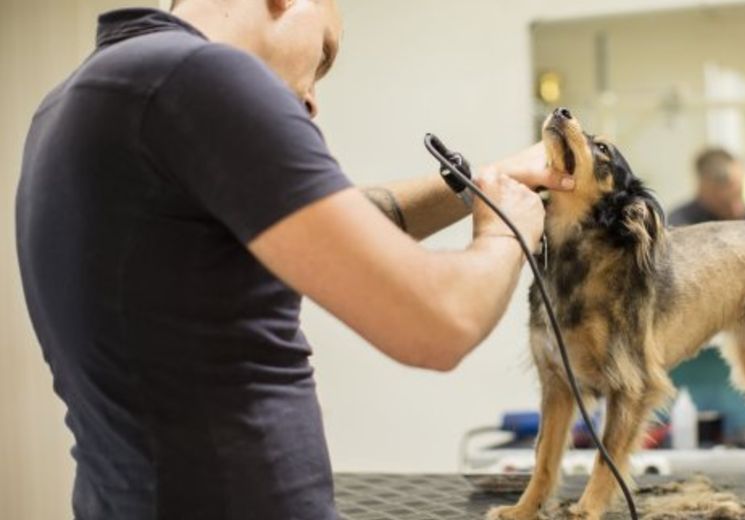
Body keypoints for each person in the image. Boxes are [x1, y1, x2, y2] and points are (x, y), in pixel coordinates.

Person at [14, 1, 574, 519]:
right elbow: (440, 323)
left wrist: (480, 187)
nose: (312, 98)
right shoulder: (201, 76)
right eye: (324, 55)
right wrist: (505, 231)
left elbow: (335, 226)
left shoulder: (84, 99)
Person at [667, 147, 745, 226]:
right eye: (726, 203)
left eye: (739, 196)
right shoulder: (679, 226)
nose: (737, 210)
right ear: (704, 189)